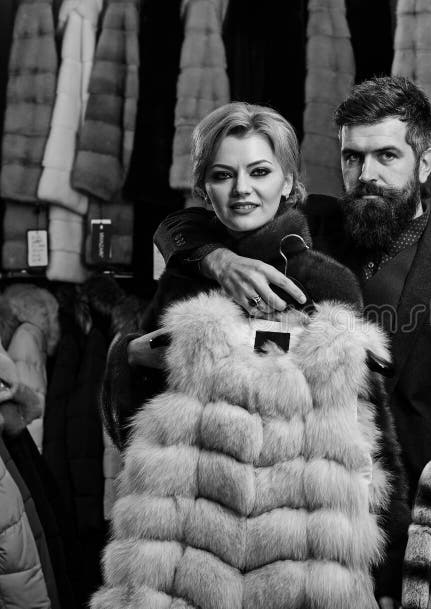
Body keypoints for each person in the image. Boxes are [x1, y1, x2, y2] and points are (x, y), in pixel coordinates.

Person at [154, 78, 431, 603]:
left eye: (386, 156)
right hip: (305, 538)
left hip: (415, 531)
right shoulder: (310, 230)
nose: (366, 175)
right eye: (353, 157)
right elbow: (181, 223)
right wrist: (220, 259)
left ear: (424, 163)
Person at [104, 102, 410, 607]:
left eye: (259, 171)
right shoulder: (186, 279)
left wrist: (389, 571)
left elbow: (370, 439)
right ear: (205, 190)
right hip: (189, 558)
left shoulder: (324, 280)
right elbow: (132, 428)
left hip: (296, 560)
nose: (242, 189)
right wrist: (133, 360)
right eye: (223, 175)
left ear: (289, 182)